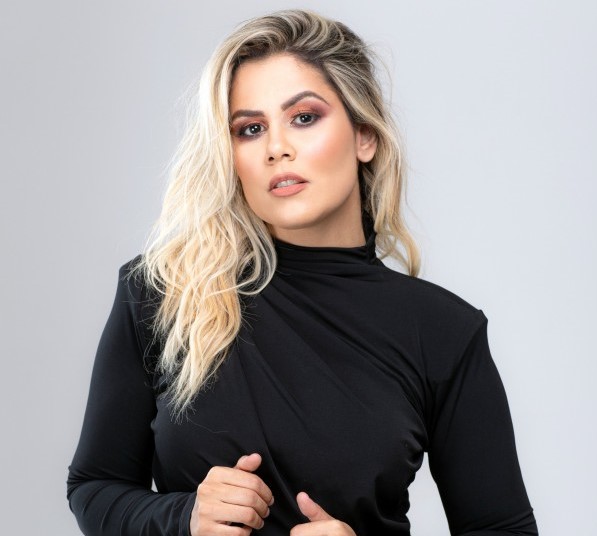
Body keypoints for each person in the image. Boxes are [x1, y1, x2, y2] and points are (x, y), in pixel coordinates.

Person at [67, 9, 538, 536]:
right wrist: (183, 517)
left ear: (364, 135)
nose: (277, 148)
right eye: (250, 129)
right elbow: (93, 486)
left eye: (305, 117)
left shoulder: (443, 331)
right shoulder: (163, 293)